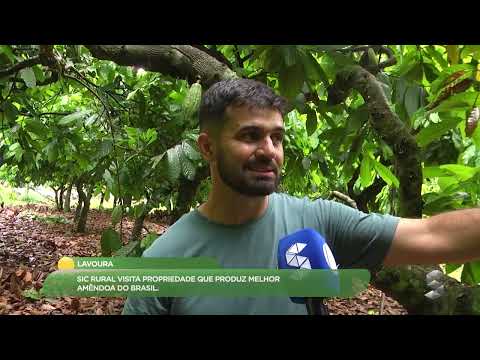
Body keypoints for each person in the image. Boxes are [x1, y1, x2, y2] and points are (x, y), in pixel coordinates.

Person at [122, 78, 480, 315]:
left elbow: (433, 234)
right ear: (207, 147)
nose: (269, 151)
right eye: (250, 136)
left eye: (276, 138)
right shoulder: (163, 262)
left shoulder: (316, 221)